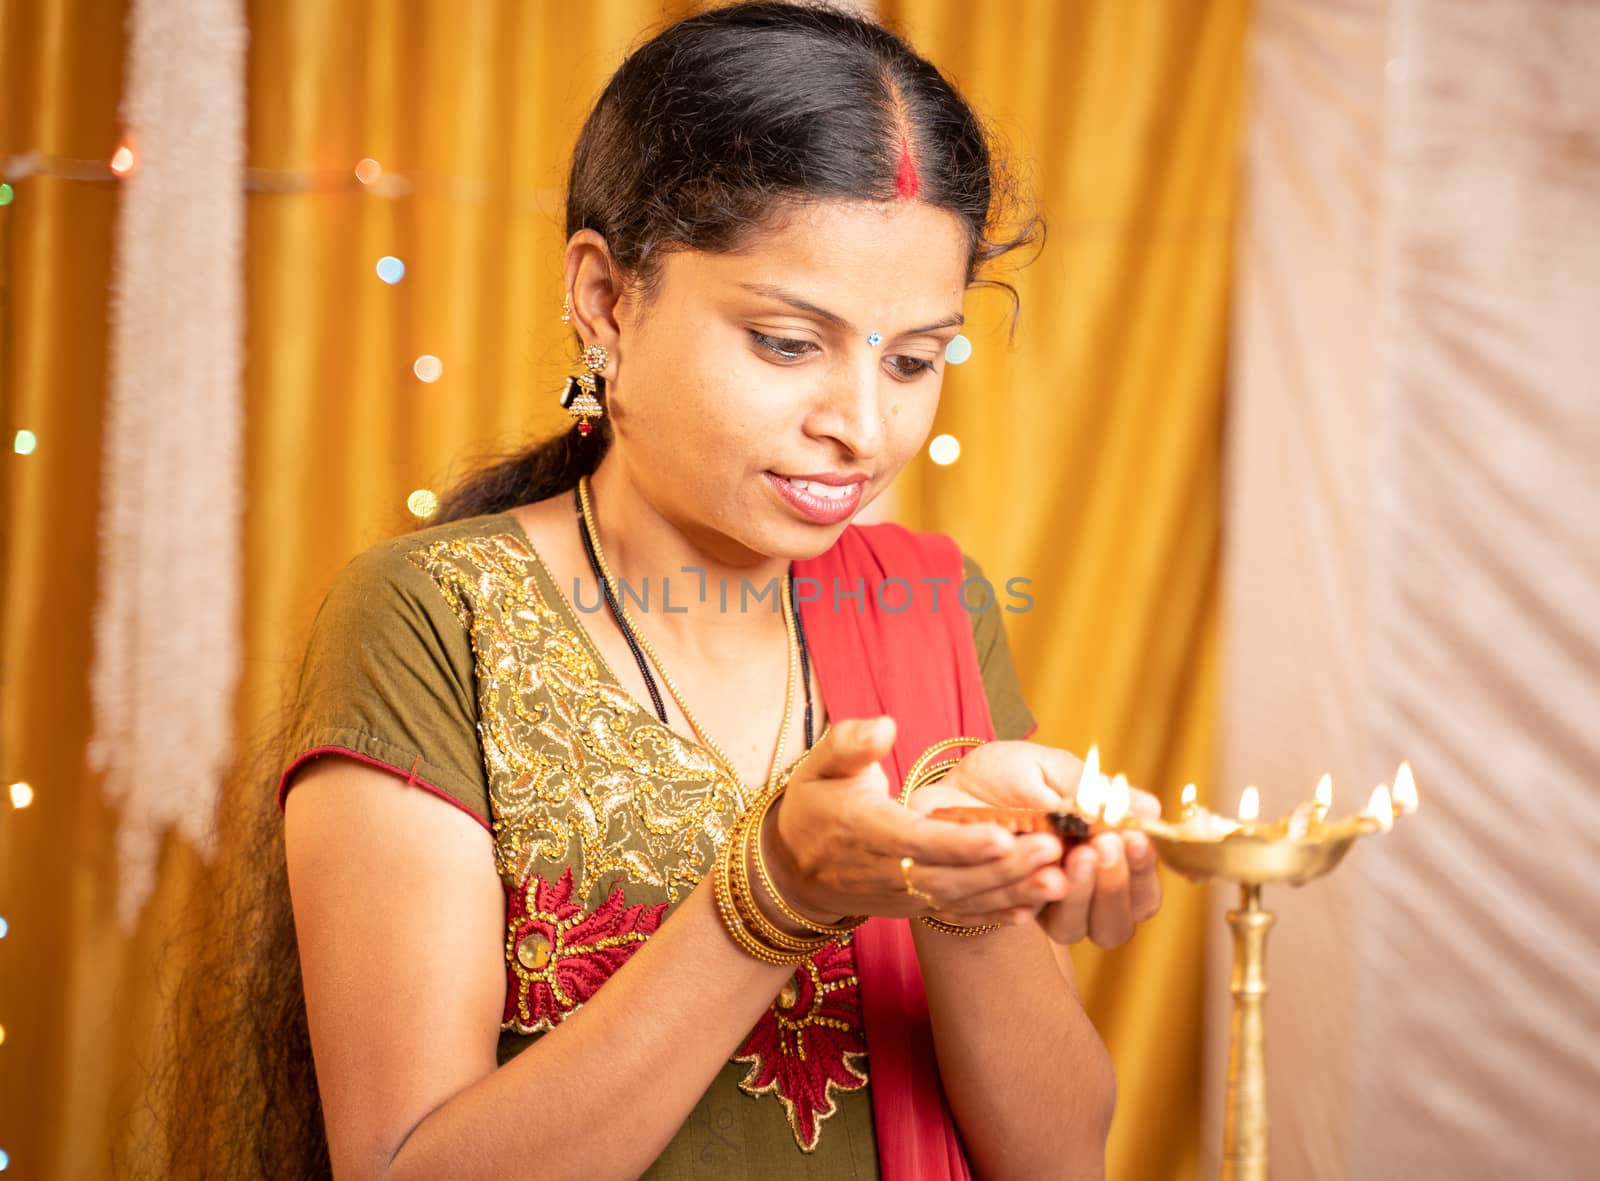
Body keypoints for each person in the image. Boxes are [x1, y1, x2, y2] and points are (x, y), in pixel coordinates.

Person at [220, 4, 1166, 1178]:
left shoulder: (931, 600)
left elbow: (1057, 1157)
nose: (861, 426)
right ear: (607, 301)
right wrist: (769, 893)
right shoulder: (433, 615)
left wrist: (962, 875)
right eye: (784, 340)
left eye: (914, 359)